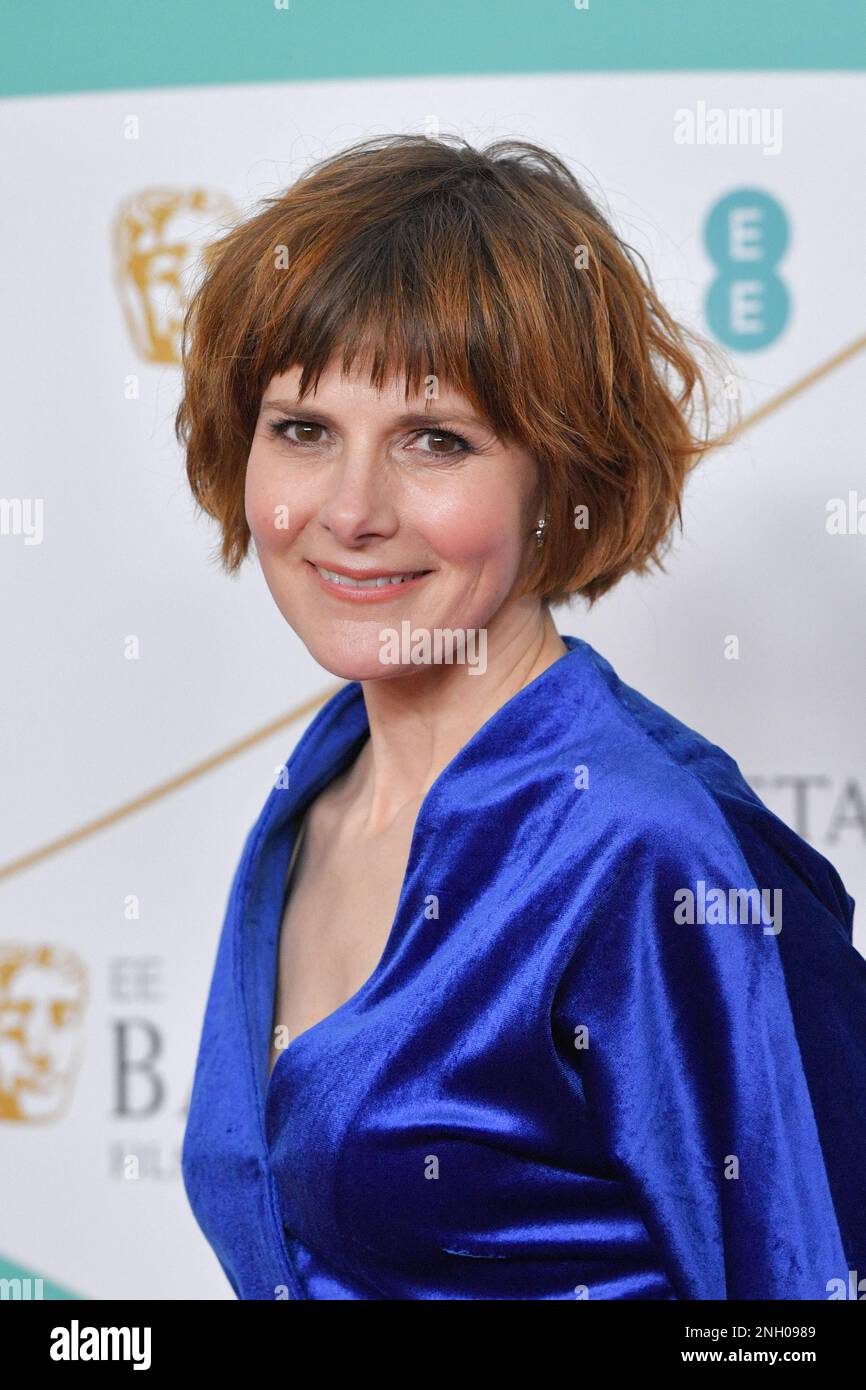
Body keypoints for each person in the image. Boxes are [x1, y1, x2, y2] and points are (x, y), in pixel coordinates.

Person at [177, 133, 866, 1300]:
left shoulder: (648, 849)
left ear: (560, 478)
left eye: (434, 441)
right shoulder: (320, 788)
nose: (349, 509)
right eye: (302, 428)